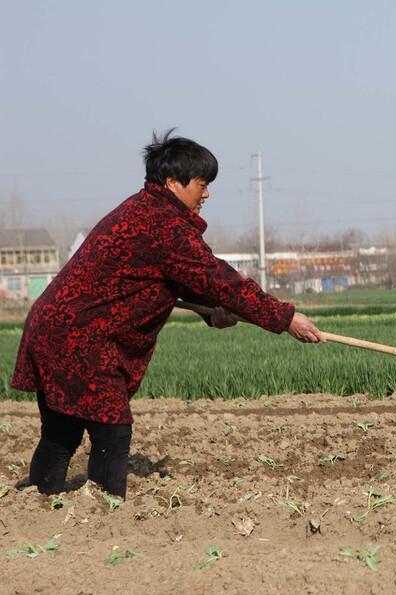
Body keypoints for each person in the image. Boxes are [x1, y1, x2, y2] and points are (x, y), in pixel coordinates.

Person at [10, 130, 322, 498]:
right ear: (174, 183)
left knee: (62, 431)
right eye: (202, 184)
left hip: (58, 330)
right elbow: (219, 280)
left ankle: (42, 501)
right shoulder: (163, 224)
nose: (206, 194)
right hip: (81, 340)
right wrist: (285, 318)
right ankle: (103, 512)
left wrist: (211, 314)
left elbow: (187, 281)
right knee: (112, 429)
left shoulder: (146, 210)